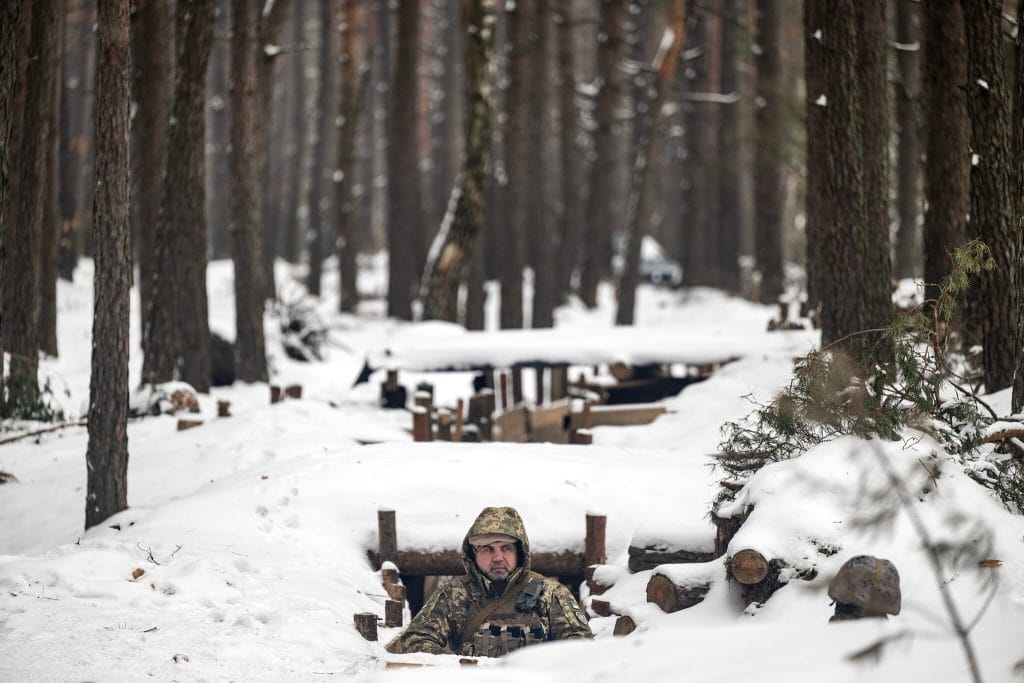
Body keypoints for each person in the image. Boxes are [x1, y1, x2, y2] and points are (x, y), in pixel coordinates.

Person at [387, 506, 593, 657]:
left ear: (520, 553)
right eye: (487, 549)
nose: (497, 557)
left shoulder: (550, 593)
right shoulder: (453, 594)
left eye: (506, 548)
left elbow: (581, 646)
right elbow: (416, 640)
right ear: (473, 555)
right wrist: (454, 668)